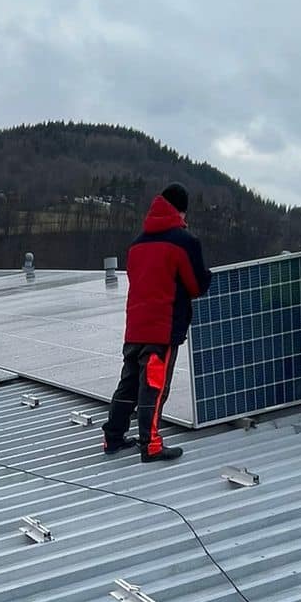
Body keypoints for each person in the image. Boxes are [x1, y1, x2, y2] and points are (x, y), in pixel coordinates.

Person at [102, 183, 212, 462]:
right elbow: (196, 285)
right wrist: (207, 275)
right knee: (154, 386)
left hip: (135, 327)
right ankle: (150, 445)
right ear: (181, 211)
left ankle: (113, 437)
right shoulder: (184, 242)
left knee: (128, 384)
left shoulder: (137, 244)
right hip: (162, 329)